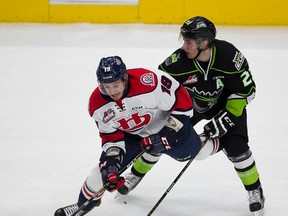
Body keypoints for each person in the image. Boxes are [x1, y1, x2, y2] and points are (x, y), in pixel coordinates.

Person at [118, 16, 265, 216]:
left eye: (188, 42)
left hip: (226, 105)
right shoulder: (177, 62)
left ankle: (255, 190)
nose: (184, 46)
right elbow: (158, 86)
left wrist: (228, 117)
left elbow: (247, 90)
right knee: (160, 135)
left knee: (237, 148)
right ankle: (134, 175)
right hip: (190, 105)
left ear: (203, 43)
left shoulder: (229, 56)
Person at [54, 56, 219, 216]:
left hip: (169, 126)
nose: (111, 92)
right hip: (133, 136)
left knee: (198, 153)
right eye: (105, 86)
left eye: (115, 85)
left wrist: (166, 134)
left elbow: (183, 104)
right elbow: (111, 138)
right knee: (100, 173)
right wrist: (111, 164)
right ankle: (82, 206)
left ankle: (218, 142)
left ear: (125, 79)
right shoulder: (97, 104)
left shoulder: (149, 82)